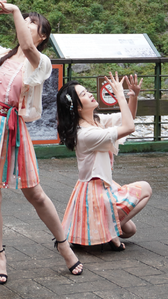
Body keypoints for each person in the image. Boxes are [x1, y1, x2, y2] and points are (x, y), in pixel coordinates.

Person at [0, 0, 83, 283]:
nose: (25, 24)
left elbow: (26, 46)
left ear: (43, 35)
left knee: (34, 193)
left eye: (32, 23)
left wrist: (13, 10)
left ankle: (64, 244)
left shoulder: (42, 62)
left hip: (12, 128)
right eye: (24, 20)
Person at [56, 73, 152, 250]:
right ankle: (108, 231)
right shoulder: (86, 134)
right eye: (84, 94)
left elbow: (128, 118)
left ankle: (104, 230)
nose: (90, 94)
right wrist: (120, 95)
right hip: (96, 193)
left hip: (102, 187)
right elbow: (129, 128)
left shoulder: (96, 122)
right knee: (145, 188)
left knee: (130, 230)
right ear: (77, 107)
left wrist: (133, 96)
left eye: (86, 91)